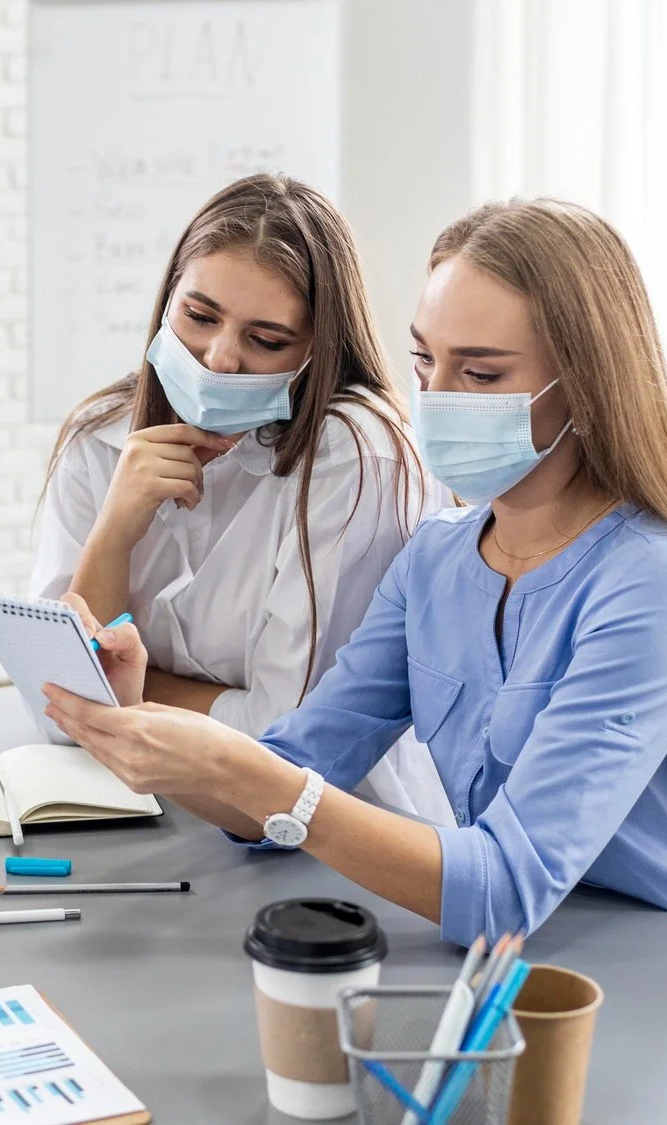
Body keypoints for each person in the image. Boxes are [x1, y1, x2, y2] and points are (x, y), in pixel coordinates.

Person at [42, 199, 667, 970]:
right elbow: (283, 781)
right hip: (558, 958)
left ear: (589, 388)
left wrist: (241, 769)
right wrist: (147, 721)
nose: (436, 397)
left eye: (482, 373)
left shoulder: (661, 585)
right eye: (425, 359)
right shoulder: (438, 560)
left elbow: (502, 884)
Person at [31, 174, 451, 822]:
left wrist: (130, 694)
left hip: (324, 839)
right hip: (141, 812)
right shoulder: (100, 436)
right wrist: (114, 532)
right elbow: (60, 707)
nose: (220, 357)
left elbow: (284, 742)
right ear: (168, 299)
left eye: (267, 340)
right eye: (199, 316)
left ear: (319, 348)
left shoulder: (358, 456)